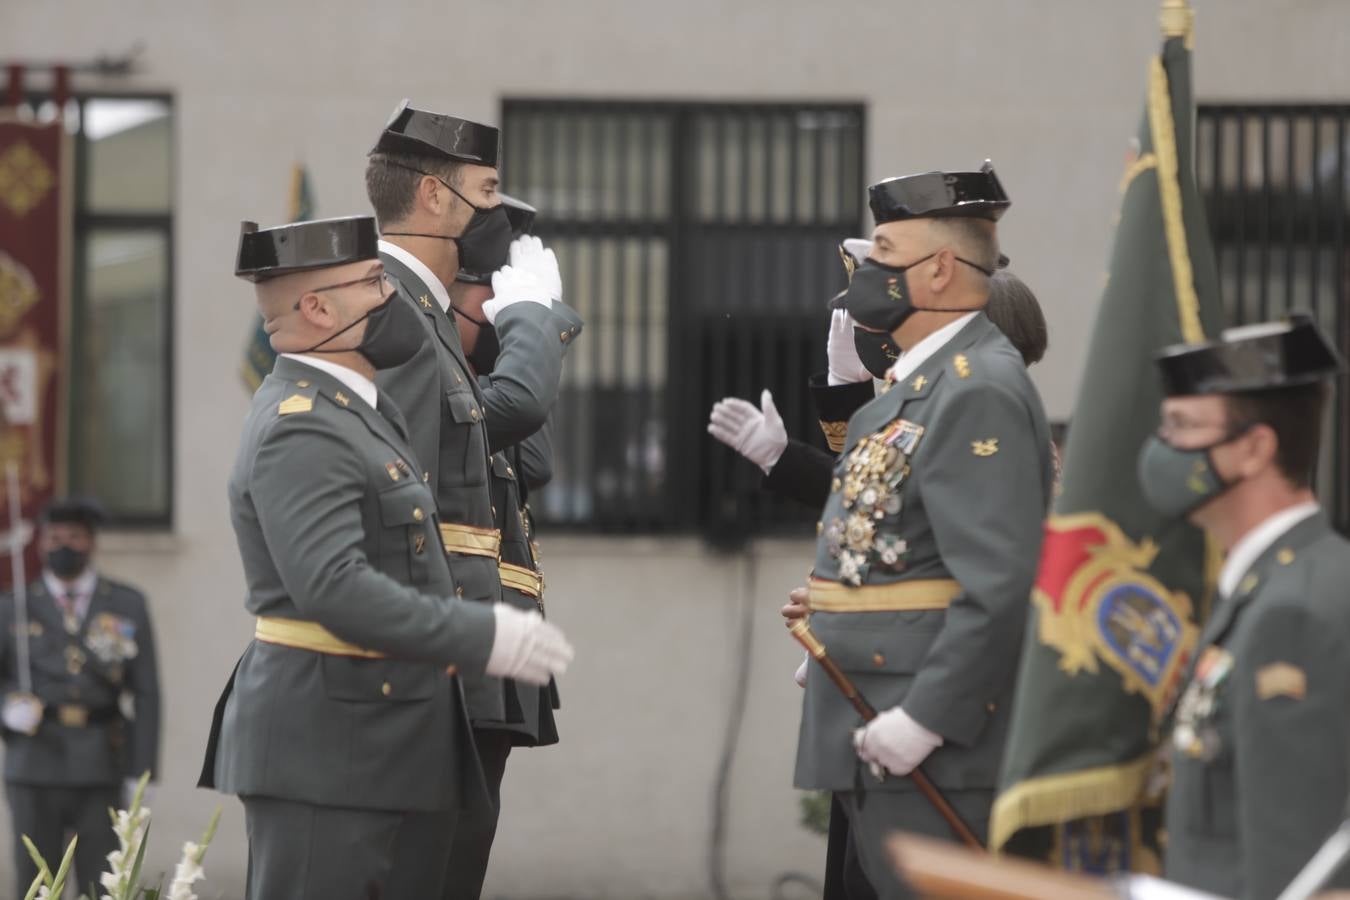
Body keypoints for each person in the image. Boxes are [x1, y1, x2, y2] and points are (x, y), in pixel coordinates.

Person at [199, 215, 573, 900]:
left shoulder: (360, 411)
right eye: (374, 282)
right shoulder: (302, 423)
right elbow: (333, 588)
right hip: (325, 747)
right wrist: (483, 632)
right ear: (317, 308)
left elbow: (523, 457)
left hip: (381, 736)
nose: (393, 299)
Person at [793, 163, 1053, 899]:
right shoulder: (911, 393)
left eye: (882, 252)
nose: (865, 272)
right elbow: (897, 551)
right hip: (873, 703)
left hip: (928, 731)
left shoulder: (978, 389)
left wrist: (926, 718)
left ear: (939, 269)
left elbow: (998, 584)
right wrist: (833, 636)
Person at [365, 101, 582, 897]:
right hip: (437, 637)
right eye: (487, 192)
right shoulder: (387, 304)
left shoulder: (424, 313)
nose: (496, 212)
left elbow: (524, 454)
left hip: (480, 635)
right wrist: (530, 325)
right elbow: (491, 421)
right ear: (432, 195)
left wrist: (503, 337)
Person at [1140, 316, 1349, 900]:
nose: (1163, 448)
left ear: (1255, 448)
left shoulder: (1295, 611)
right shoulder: (1269, 584)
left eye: (1182, 427)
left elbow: (1293, 856)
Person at [439, 193, 578, 898]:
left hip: (504, 632)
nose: (498, 306)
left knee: (464, 857)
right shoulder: (415, 361)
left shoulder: (480, 378)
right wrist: (530, 330)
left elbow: (535, 461)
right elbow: (512, 413)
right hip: (452, 635)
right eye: (488, 292)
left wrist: (517, 343)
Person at [0, 496, 160, 897]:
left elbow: (146, 690)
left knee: (102, 883)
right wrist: (7, 707)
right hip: (34, 761)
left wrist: (143, 769)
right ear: (39, 544)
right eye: (54, 537)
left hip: (100, 762)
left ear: (91, 542)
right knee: (36, 887)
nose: (63, 546)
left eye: (74, 536)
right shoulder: (14, 605)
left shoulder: (126, 603)